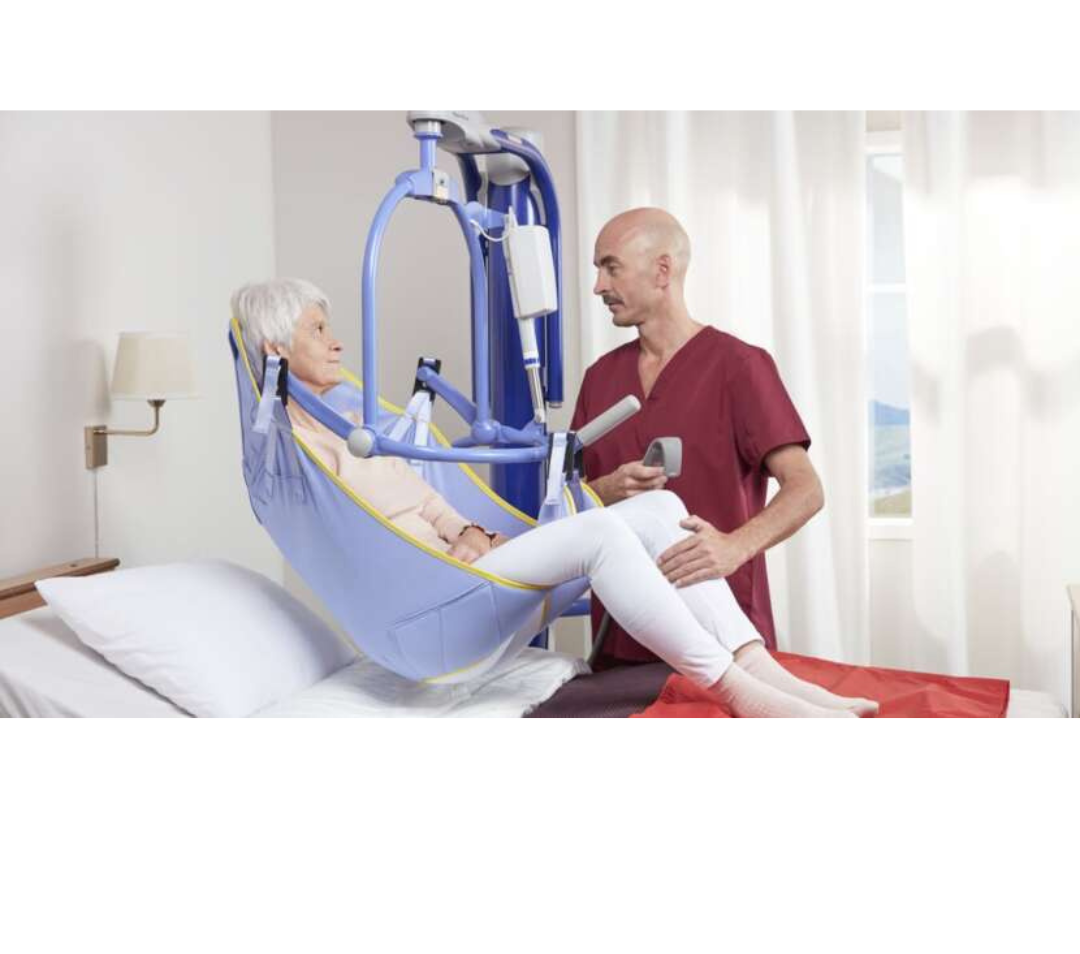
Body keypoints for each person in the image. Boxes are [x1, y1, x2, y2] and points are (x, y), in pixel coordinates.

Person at [231, 278, 876, 717]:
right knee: (599, 535)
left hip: (463, 567)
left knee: (658, 508)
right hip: (427, 611)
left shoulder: (357, 424)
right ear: (276, 350)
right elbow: (365, 542)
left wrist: (468, 531)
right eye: (319, 330)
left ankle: (771, 675)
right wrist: (461, 547)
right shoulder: (297, 460)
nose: (337, 340)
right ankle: (737, 691)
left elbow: (428, 502)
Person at [572, 207, 822, 666]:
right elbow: (562, 508)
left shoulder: (739, 367)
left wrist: (734, 547)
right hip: (619, 646)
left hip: (723, 640)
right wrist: (604, 491)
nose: (599, 287)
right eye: (598, 271)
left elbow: (806, 490)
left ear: (662, 270)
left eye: (611, 267)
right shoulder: (599, 379)